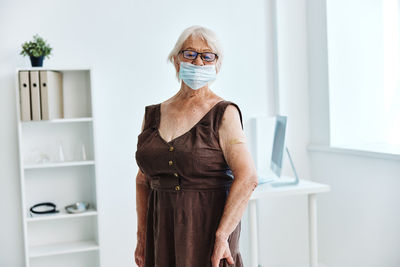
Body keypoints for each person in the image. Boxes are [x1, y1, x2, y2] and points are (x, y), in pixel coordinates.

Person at [135, 25, 258, 267]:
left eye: (207, 55)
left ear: (217, 64)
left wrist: (223, 236)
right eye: (189, 53)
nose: (198, 62)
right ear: (175, 59)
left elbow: (248, 177)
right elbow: (142, 180)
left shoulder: (224, 113)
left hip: (208, 230)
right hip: (161, 231)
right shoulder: (154, 115)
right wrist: (142, 237)